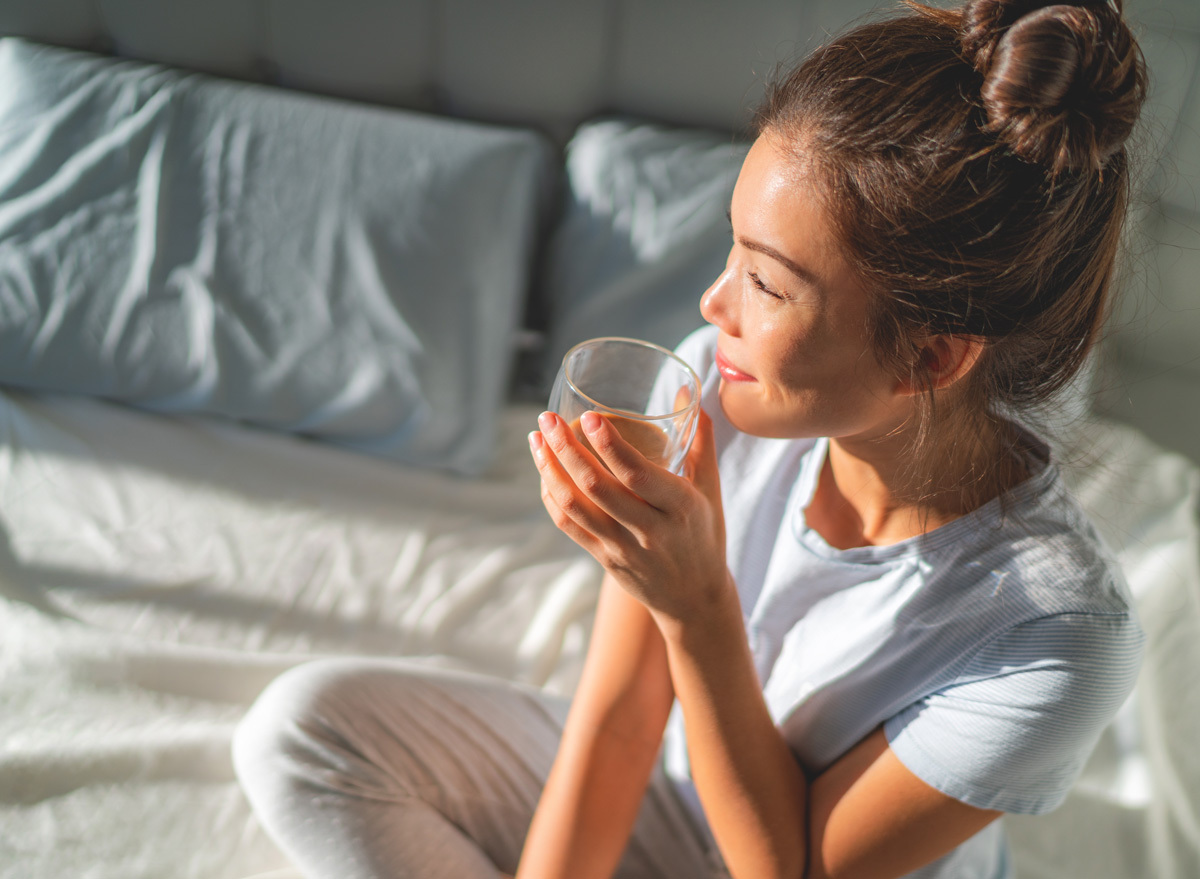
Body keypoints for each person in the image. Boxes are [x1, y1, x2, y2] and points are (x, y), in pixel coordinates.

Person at [232, 0, 1149, 877]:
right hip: (682, 795)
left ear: (931, 355)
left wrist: (696, 605)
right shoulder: (708, 381)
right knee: (302, 735)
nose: (714, 308)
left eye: (769, 284)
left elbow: (786, 868)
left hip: (781, 854)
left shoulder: (1052, 635)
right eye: (733, 252)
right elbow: (622, 719)